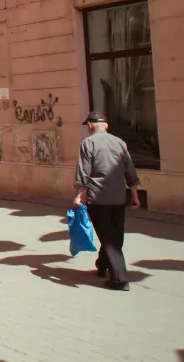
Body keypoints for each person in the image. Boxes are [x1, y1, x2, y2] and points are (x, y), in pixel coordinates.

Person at [73, 111, 140, 291]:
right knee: (113, 235)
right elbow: (130, 170)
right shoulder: (119, 143)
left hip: (98, 198)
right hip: (119, 198)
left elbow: (83, 172)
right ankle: (103, 266)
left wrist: (79, 195)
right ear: (106, 125)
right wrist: (134, 194)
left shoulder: (88, 143)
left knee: (108, 238)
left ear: (90, 125)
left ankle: (120, 278)